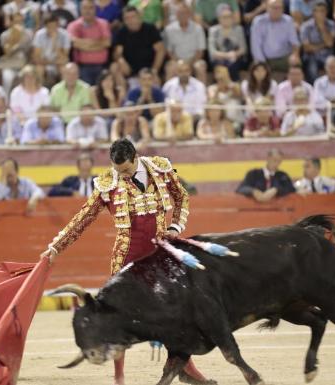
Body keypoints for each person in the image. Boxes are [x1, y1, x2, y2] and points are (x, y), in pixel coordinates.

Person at [40, 139, 214, 385]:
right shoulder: (108, 183)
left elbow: (182, 197)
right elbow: (83, 218)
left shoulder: (161, 168)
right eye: (116, 170)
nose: (120, 175)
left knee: (174, 313)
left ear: (135, 157)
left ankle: (185, 368)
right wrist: (56, 246)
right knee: (118, 314)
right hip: (127, 256)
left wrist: (175, 225)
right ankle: (119, 376)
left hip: (160, 255)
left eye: (125, 170)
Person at [67, 0, 112, 85]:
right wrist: (97, 42)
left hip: (102, 66)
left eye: (91, 8)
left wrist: (84, 44)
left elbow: (107, 43)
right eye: (85, 8)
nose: (88, 11)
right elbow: (74, 43)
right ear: (80, 9)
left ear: (95, 9)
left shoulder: (103, 23)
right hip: (82, 67)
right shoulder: (73, 25)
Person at [250, 0, 301, 74]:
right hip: (266, 59)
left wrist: (295, 55)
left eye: (279, 8)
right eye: (274, 8)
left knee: (296, 62)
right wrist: (262, 64)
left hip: (284, 58)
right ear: (267, 8)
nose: (277, 10)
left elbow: (295, 43)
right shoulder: (258, 22)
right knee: (258, 69)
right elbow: (256, 46)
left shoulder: (288, 20)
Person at [113, 6, 165, 78]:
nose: (130, 20)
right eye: (127, 18)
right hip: (131, 72)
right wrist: (121, 60)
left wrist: (154, 70)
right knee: (115, 67)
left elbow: (160, 51)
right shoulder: (121, 32)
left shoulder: (150, 29)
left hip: (149, 71)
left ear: (139, 16)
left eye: (133, 17)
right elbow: (118, 53)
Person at [164, 4, 207, 83]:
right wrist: (179, 63)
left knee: (200, 67)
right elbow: (169, 51)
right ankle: (169, 93)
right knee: (170, 67)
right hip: (177, 60)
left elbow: (200, 51)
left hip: (194, 60)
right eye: (180, 13)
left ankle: (202, 93)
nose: (182, 15)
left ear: (190, 14)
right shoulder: (169, 29)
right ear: (176, 15)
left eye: (185, 13)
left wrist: (190, 63)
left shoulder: (198, 28)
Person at [300, 1, 335, 84]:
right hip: (311, 56)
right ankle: (314, 89)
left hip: (327, 56)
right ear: (313, 12)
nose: (320, 13)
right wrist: (323, 45)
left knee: (334, 64)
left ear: (326, 12)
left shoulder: (331, 24)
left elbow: (330, 43)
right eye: (317, 11)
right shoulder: (305, 26)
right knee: (312, 67)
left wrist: (322, 27)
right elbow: (307, 48)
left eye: (322, 11)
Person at [207, 5, 246, 82]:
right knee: (220, 67)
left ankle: (235, 86)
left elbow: (243, 49)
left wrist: (234, 54)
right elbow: (212, 51)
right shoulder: (213, 30)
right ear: (219, 18)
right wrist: (227, 56)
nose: (227, 19)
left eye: (229, 16)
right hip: (219, 58)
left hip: (235, 58)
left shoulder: (238, 29)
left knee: (233, 65)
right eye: (224, 17)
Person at [0, 11, 33, 94]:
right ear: (11, 22)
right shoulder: (4, 35)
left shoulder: (29, 34)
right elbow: (7, 53)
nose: (18, 24)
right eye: (16, 22)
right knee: (7, 78)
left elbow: (30, 53)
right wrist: (15, 38)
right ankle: (6, 102)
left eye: (20, 22)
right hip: (10, 65)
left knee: (29, 76)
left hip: (24, 65)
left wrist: (22, 36)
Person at [31, 16, 71, 83]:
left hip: (58, 64)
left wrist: (55, 42)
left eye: (54, 26)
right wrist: (51, 62)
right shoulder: (39, 34)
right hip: (44, 63)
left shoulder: (65, 34)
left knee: (64, 69)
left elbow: (64, 58)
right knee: (39, 69)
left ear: (58, 25)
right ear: (45, 26)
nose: (52, 29)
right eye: (50, 26)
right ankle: (40, 91)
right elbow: (37, 57)